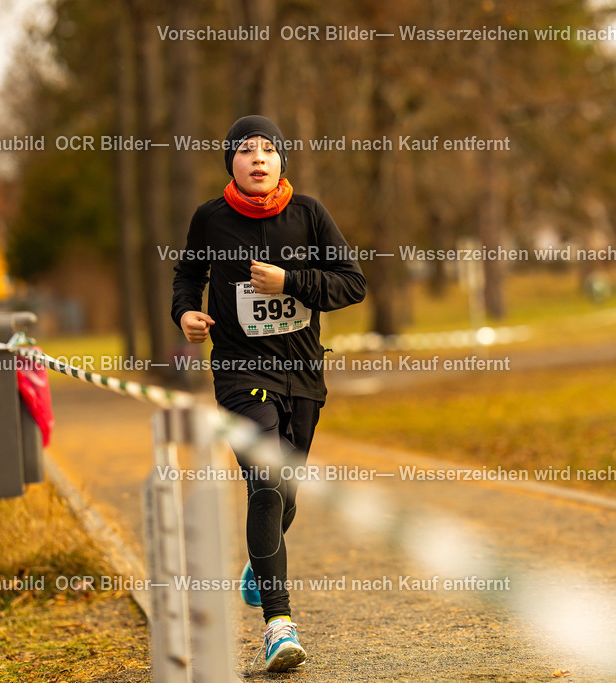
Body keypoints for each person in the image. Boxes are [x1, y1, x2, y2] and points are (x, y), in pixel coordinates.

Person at [171, 115, 367, 672]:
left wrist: (291, 282)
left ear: (283, 161)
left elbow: (352, 284)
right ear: (230, 163)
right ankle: (279, 625)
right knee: (267, 479)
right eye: (246, 151)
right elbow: (187, 275)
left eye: (269, 151)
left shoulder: (309, 215)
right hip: (239, 374)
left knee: (288, 494)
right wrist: (185, 311)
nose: (258, 158)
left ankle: (262, 562)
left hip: (303, 375)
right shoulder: (210, 219)